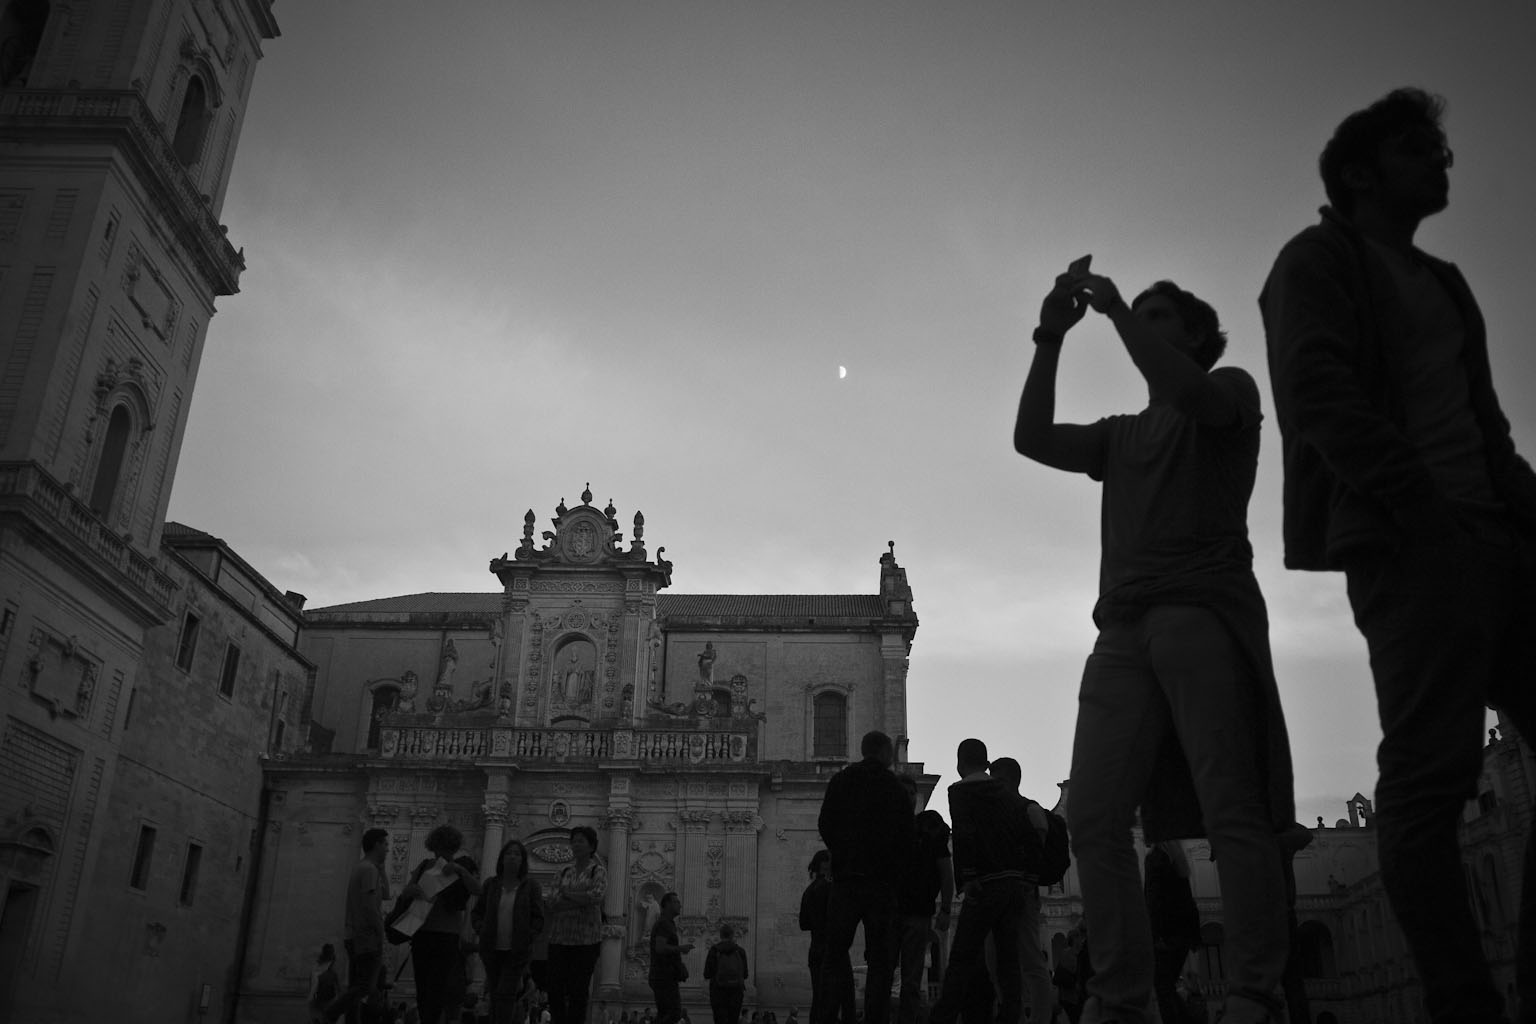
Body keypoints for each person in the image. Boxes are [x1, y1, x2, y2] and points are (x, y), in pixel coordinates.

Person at [1260, 86, 1536, 1024]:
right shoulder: (1316, 262)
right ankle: (1465, 1002)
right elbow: (1316, 395)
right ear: (1363, 172)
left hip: (1498, 542)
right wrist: (1420, 508)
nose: (1444, 164)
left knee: (1447, 780)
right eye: (1424, 151)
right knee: (1429, 780)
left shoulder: (1447, 282)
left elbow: (1485, 427)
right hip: (1414, 545)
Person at [1015, 261, 1296, 1024]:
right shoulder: (1122, 436)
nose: (1142, 321)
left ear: (1197, 335)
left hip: (1201, 612)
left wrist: (1113, 313)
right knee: (1094, 818)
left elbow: (1189, 390)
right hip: (1122, 630)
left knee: (1231, 803)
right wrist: (1050, 335)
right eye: (1142, 313)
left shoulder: (1230, 390)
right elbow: (1030, 437)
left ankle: (1254, 994)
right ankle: (1121, 997)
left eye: (1160, 315)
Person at [927, 739, 1031, 1024]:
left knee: (962, 956)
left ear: (960, 763)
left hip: (984, 884)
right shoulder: (1006, 792)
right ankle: (1011, 1014)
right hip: (1012, 882)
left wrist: (968, 877)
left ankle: (943, 1016)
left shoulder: (960, 791)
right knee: (1008, 960)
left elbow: (964, 834)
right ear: (986, 764)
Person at [815, 730, 915, 1024]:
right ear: (884, 752)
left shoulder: (842, 780)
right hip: (881, 884)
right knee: (881, 962)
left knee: (834, 956)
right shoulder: (893, 787)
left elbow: (825, 823)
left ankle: (826, 1016)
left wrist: (841, 853)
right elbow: (906, 837)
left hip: (846, 881)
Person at [989, 757, 1055, 1024]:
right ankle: (1010, 1012)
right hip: (1001, 894)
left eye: (997, 779)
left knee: (1030, 960)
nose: (992, 785)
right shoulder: (1004, 813)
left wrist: (1028, 882)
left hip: (1022, 895)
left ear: (1011, 781)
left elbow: (1039, 853)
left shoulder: (1029, 810)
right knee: (995, 959)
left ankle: (1039, 1018)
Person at [400, 824, 483, 1024]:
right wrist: (414, 891)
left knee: (435, 989)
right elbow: (405, 892)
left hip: (442, 935)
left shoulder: (459, 868)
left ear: (453, 848)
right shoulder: (424, 866)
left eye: (447, 848)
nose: (442, 853)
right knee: (425, 988)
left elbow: (478, 890)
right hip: (426, 932)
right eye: (440, 848)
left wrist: (461, 870)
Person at [894, 775, 953, 1024]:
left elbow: (945, 870)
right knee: (884, 972)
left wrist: (946, 909)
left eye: (911, 792)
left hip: (917, 911)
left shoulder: (928, 827)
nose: (907, 797)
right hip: (889, 911)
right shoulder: (885, 828)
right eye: (903, 792)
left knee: (911, 977)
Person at [474, 838, 546, 1024]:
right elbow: (477, 912)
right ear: (501, 858)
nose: (512, 857)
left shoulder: (530, 886)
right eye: (509, 853)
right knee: (495, 992)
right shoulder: (491, 884)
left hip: (516, 951)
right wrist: (481, 929)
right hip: (491, 948)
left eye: (517, 854)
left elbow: (538, 917)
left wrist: (529, 936)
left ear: (523, 860)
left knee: (506, 993)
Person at [326, 828, 391, 1024]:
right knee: (365, 986)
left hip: (354, 935)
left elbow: (386, 894)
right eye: (386, 844)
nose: (388, 849)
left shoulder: (366, 868)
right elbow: (370, 906)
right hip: (365, 936)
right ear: (377, 844)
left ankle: (349, 1020)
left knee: (356, 984)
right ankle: (331, 1013)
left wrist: (382, 868)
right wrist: (381, 933)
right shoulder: (368, 870)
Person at [546, 826, 608, 1024]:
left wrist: (566, 894)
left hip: (586, 940)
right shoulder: (563, 871)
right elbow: (551, 903)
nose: (576, 844)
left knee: (579, 990)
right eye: (574, 840)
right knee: (554, 988)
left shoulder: (598, 871)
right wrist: (581, 898)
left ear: (591, 846)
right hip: (559, 938)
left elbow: (596, 897)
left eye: (581, 840)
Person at [1143, 842, 1199, 1024]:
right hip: (1182, 934)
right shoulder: (1178, 862)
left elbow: (1154, 900)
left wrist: (1155, 934)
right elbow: (1189, 902)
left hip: (1165, 936)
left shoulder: (1155, 859)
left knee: (1163, 988)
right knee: (1167, 987)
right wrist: (1194, 935)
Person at [799, 851, 840, 1024]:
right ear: (824, 864)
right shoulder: (829, 888)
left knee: (819, 998)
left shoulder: (808, 891)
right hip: (830, 948)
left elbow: (803, 924)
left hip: (815, 948)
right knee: (831, 999)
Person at [649, 891, 694, 1024]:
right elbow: (660, 947)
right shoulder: (664, 924)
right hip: (663, 975)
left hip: (665, 975)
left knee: (667, 1013)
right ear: (667, 904)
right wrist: (681, 949)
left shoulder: (668, 923)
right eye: (676, 902)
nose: (680, 905)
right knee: (672, 1012)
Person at [704, 922, 750, 1024]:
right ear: (732, 935)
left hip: (718, 992)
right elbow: (745, 975)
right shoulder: (740, 951)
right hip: (736, 992)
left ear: (720, 935)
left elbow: (707, 974)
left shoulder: (714, 950)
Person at [310, 944, 341, 1023]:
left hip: (323, 998)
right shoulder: (332, 972)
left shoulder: (322, 970)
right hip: (326, 999)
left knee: (322, 1018)